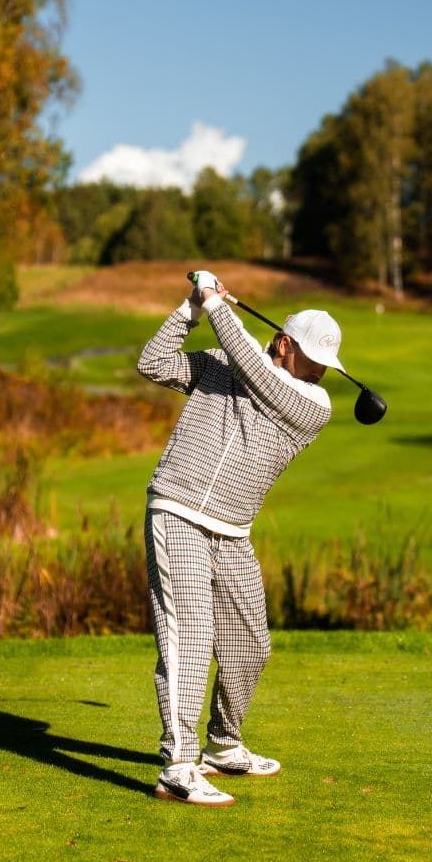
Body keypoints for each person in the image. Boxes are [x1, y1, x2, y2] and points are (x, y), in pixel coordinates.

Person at [137, 269, 344, 807]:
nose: (321, 371)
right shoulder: (229, 363)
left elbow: (255, 369)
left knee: (250, 643)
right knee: (190, 637)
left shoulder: (312, 406)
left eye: (327, 364)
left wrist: (214, 301)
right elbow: (154, 363)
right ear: (284, 343)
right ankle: (179, 766)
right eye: (315, 359)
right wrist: (190, 306)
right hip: (178, 509)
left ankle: (224, 745)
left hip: (233, 531)